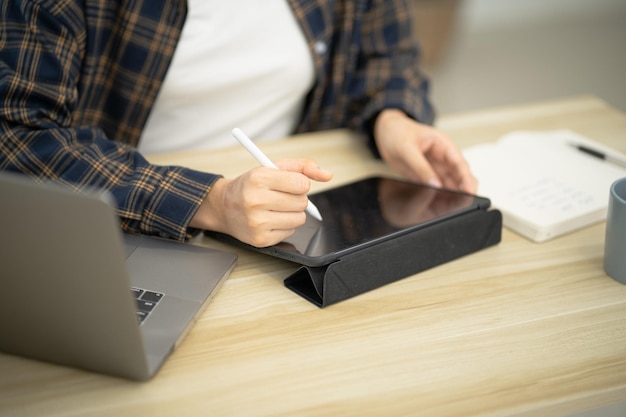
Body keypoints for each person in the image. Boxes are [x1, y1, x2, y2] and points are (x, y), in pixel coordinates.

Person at [0, 0, 476, 248]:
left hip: (289, 221)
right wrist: (211, 202)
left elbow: (386, 52)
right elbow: (17, 138)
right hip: (133, 221)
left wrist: (391, 115)